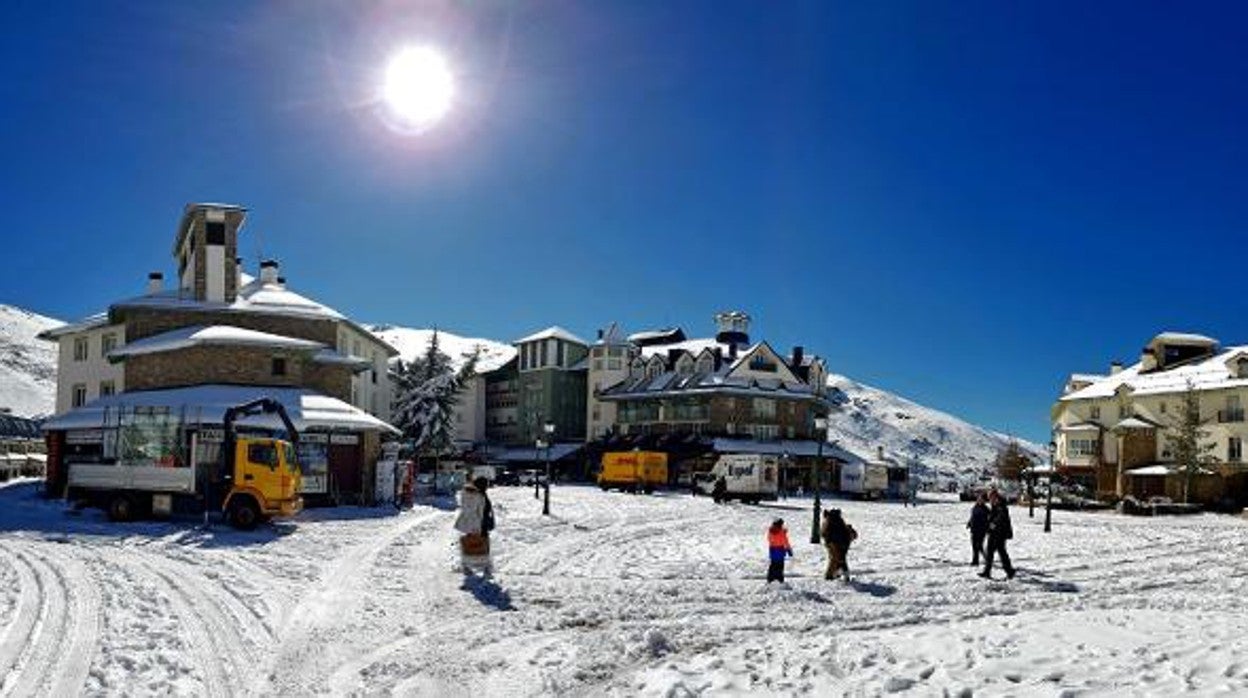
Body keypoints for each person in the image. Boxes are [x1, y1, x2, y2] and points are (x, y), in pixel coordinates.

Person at [454, 477, 495, 575]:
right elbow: (471, 511)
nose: (487, 487)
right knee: (476, 544)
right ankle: (478, 566)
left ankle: (475, 566)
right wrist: (476, 527)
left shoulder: (473, 493)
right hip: (476, 524)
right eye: (486, 485)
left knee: (474, 544)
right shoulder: (475, 495)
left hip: (479, 523)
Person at [979, 489, 1015, 580]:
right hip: (996, 532)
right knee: (1000, 552)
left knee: (993, 551)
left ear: (995, 496)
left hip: (999, 533)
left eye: (990, 497)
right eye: (989, 498)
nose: (989, 499)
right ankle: (1009, 571)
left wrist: (993, 524)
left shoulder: (1001, 505)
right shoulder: (996, 504)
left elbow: (1001, 518)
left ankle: (989, 571)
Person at [821, 509, 857, 582]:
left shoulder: (829, 520)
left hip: (836, 542)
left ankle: (831, 575)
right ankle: (840, 574)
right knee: (840, 558)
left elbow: (824, 533)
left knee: (836, 558)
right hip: (843, 542)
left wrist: (828, 541)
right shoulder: (838, 520)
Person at [766, 518, 793, 583]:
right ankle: (780, 579)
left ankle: (770, 578)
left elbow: (769, 539)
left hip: (772, 549)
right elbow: (785, 542)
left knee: (773, 564)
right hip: (780, 549)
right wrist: (788, 549)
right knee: (780, 566)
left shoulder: (771, 531)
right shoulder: (781, 532)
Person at [967, 492, 990, 566]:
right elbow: (972, 517)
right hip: (974, 529)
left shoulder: (986, 509)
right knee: (974, 546)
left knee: (979, 545)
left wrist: (988, 527)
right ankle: (975, 561)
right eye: (978, 499)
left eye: (981, 499)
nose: (979, 500)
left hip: (982, 530)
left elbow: (989, 519)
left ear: (984, 500)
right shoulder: (974, 507)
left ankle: (987, 558)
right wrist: (969, 523)